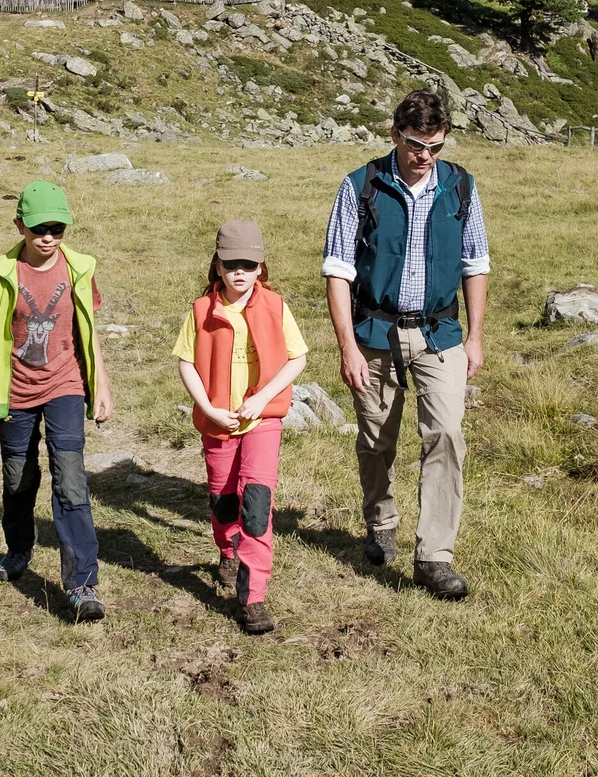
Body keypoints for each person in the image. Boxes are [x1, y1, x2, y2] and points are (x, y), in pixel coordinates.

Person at [322, 89, 489, 600]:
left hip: (441, 335)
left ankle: (433, 557)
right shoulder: (360, 187)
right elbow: (337, 270)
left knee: (446, 435)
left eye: (436, 146)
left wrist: (476, 337)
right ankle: (381, 519)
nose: (426, 157)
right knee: (377, 441)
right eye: (417, 144)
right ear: (394, 135)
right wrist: (348, 346)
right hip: (374, 334)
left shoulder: (460, 186)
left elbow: (475, 262)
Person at [0, 181, 114, 621]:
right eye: (38, 228)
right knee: (18, 477)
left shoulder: (79, 270)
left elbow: (88, 332)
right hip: (14, 392)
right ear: (20, 226)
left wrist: (100, 383)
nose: (48, 237)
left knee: (70, 480)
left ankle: (82, 583)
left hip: (65, 385)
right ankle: (18, 549)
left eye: (57, 227)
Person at [173, 221, 309, 635]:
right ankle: (227, 552)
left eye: (248, 265)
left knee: (256, 505)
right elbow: (185, 363)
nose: (239, 272)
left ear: (261, 266)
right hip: (217, 425)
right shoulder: (200, 311)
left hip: (262, 422)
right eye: (231, 264)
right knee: (223, 501)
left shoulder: (276, 306)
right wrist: (208, 409)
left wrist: (262, 398)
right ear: (217, 266)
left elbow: (296, 358)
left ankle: (253, 600)